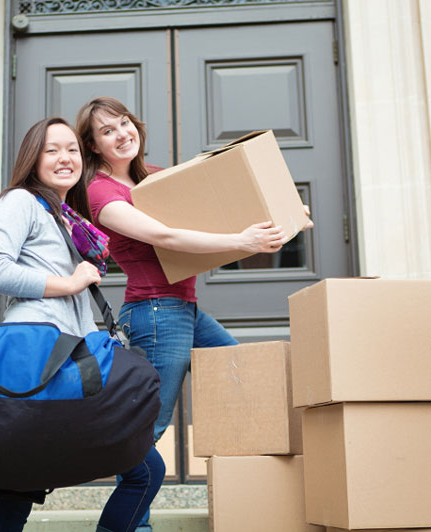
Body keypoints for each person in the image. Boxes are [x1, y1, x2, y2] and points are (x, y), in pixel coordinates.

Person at [77, 97, 313, 531]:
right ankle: (129, 525)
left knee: (245, 384)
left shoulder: (158, 179)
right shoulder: (101, 192)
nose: (121, 134)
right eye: (107, 131)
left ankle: (259, 497)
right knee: (146, 432)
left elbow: (220, 218)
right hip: (153, 313)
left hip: (183, 309)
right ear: (93, 146)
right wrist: (243, 243)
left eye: (124, 123)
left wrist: (285, 218)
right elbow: (166, 235)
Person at [0, 116, 165, 532]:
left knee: (141, 471)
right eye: (52, 150)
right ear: (33, 158)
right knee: (16, 487)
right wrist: (69, 282)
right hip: (37, 360)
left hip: (69, 359)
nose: (65, 158)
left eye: (72, 150)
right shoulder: (20, 202)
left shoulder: (65, 216)